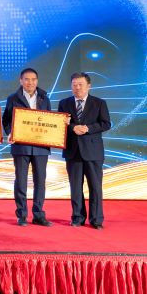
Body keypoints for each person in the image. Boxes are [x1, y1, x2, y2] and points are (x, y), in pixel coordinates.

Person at [2, 68, 58, 227]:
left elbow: (49, 120)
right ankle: (22, 215)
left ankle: (39, 215)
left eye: (33, 79)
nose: (30, 82)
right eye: (26, 79)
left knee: (40, 181)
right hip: (21, 146)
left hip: (41, 147)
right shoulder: (13, 98)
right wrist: (10, 132)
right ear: (21, 81)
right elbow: (6, 120)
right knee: (21, 181)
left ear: (37, 81)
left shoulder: (44, 98)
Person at [58, 72, 110, 230]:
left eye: (80, 84)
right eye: (74, 85)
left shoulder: (99, 103)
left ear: (89, 86)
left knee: (95, 187)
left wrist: (88, 128)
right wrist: (73, 127)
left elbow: (106, 124)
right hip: (72, 151)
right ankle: (77, 217)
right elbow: (59, 124)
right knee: (75, 187)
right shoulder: (64, 103)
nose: (77, 88)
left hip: (93, 151)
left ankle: (96, 220)